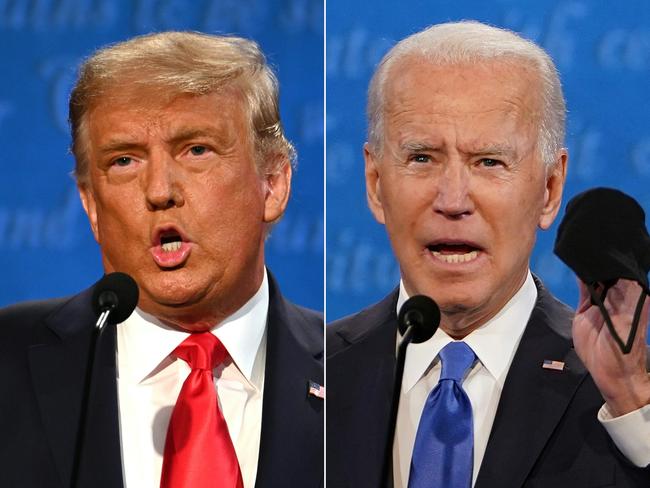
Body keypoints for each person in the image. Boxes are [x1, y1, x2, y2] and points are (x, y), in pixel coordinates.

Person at [327, 21, 650, 487]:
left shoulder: (625, 392)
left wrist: (633, 406)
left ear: (549, 188)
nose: (453, 199)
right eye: (422, 158)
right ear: (376, 185)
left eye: (489, 162)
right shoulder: (311, 377)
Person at [0, 32, 323, 488]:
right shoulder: (7, 364)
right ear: (91, 205)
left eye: (196, 150)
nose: (159, 192)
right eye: (124, 161)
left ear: (272, 184)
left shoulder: (359, 377)